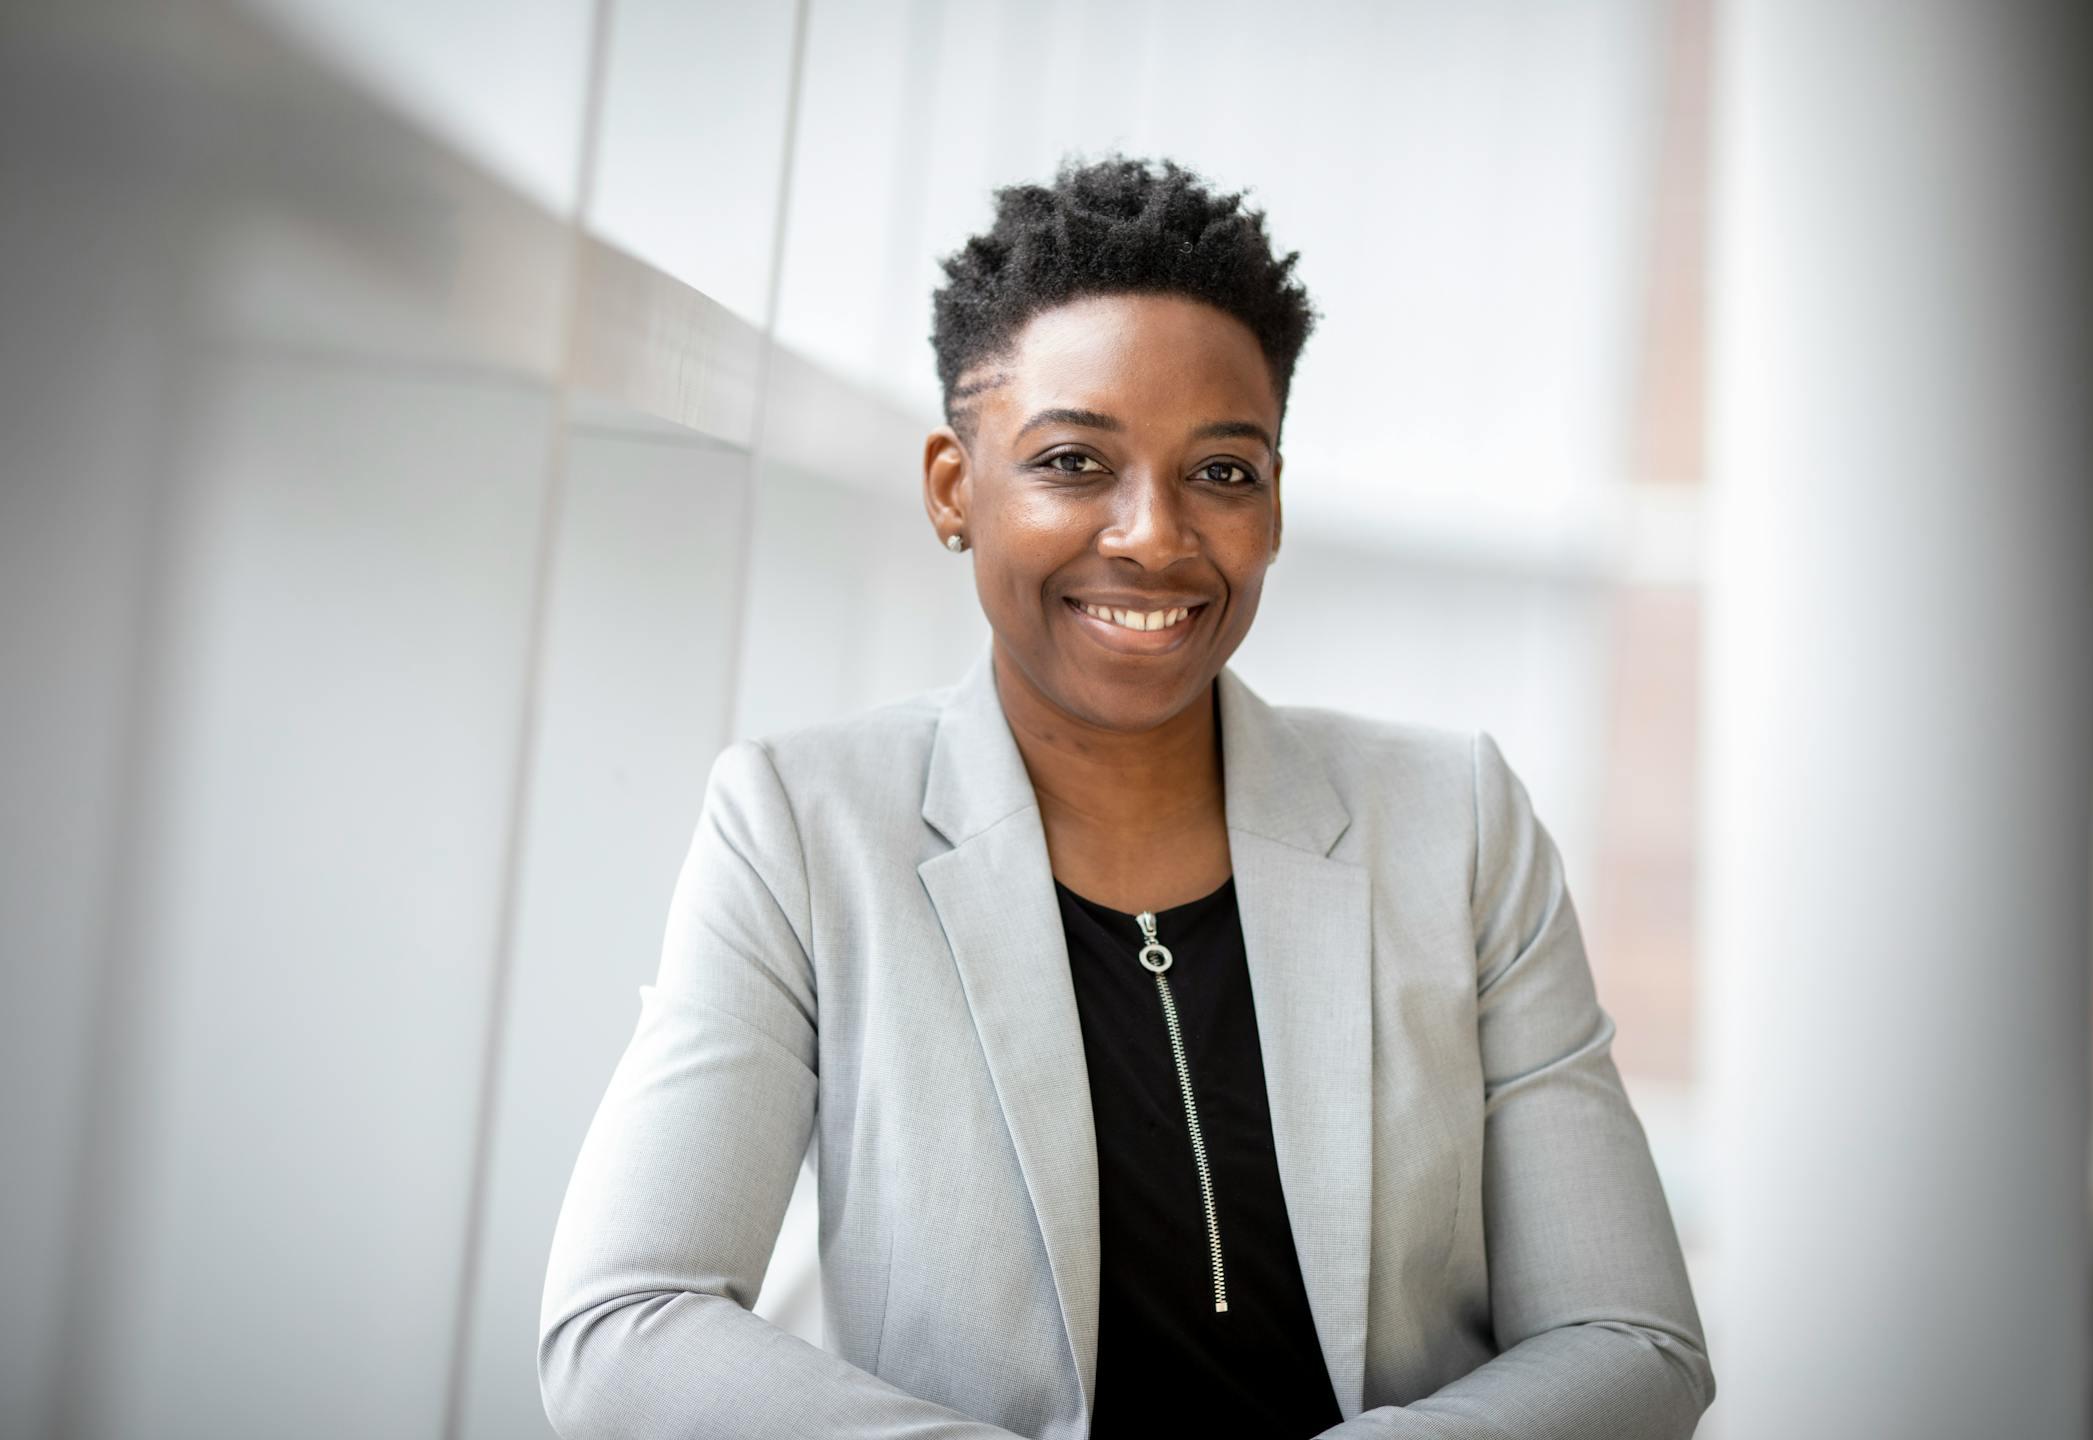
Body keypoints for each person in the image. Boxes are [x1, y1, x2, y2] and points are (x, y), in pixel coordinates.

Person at [538, 154, 1715, 1440]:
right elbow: (626, 1326)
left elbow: (1630, 1338)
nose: (1155, 535)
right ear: (953, 487)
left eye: (1222, 471)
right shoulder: (801, 827)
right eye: (1073, 462)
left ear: (1272, 505)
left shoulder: (1458, 823)